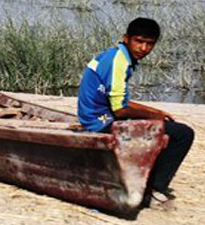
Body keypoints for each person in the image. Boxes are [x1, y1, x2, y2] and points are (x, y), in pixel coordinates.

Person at [77, 18, 194, 210]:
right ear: (126, 39)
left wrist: (155, 113)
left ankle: (148, 180)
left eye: (149, 44)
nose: (143, 48)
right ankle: (155, 189)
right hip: (100, 122)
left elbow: (118, 101)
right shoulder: (119, 62)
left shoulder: (118, 56)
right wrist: (154, 114)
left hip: (100, 115)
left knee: (165, 125)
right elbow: (120, 109)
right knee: (183, 134)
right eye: (139, 41)